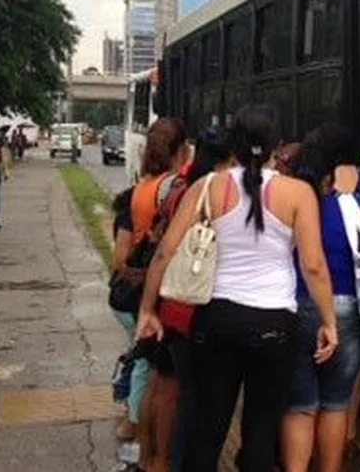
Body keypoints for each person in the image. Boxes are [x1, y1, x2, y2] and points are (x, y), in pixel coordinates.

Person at [137, 104, 339, 472]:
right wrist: (329, 322)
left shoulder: (207, 187)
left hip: (216, 320)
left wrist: (148, 310)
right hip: (275, 325)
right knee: (261, 433)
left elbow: (165, 251)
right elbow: (313, 265)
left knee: (207, 427)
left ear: (235, 143)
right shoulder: (298, 194)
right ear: (277, 145)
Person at [284, 124, 360, 472]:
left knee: (300, 405)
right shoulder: (354, 211)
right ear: (337, 172)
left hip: (298, 308)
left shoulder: (290, 206)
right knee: (335, 404)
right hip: (346, 310)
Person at [144, 126, 235, 472]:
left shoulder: (179, 189)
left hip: (175, 308)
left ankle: (158, 460)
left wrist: (150, 307)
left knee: (182, 392)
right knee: (193, 401)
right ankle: (177, 462)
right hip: (192, 310)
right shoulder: (205, 194)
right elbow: (167, 251)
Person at [129, 118, 191, 472]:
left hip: (146, 286)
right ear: (181, 150)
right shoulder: (171, 187)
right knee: (169, 386)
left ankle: (147, 453)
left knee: (154, 377)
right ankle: (161, 460)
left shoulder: (144, 186)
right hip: (164, 290)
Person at [109, 187, 144, 443]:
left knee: (138, 353)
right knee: (141, 359)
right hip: (129, 298)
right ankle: (131, 421)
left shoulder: (129, 211)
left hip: (126, 299)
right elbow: (119, 260)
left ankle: (126, 400)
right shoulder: (129, 216)